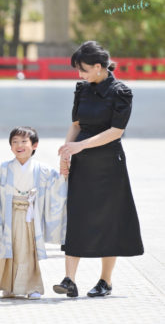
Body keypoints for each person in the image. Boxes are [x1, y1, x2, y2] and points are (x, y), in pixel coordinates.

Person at [53, 41, 144, 298]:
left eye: (82, 70)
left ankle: (105, 280)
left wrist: (81, 146)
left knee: (109, 220)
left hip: (108, 164)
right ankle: (69, 279)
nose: (79, 75)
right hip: (82, 162)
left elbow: (116, 131)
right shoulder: (82, 89)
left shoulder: (121, 91)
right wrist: (66, 152)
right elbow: (76, 123)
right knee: (77, 216)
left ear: (98, 66)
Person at [0, 126, 67, 300]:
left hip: (30, 215)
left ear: (35, 145)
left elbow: (57, 186)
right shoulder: (5, 168)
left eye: (24, 141)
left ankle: (32, 286)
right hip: (10, 214)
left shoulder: (42, 169)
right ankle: (8, 285)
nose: (19, 145)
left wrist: (63, 175)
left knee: (28, 251)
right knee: (9, 250)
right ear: (10, 146)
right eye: (14, 142)